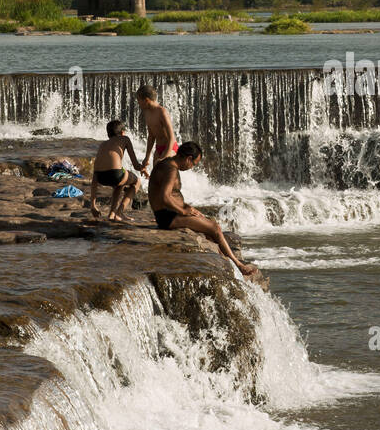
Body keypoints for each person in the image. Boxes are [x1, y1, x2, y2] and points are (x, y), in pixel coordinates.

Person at [150, 141, 261, 283]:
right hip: (168, 216)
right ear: (188, 158)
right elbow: (165, 197)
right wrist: (183, 212)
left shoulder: (166, 163)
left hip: (169, 213)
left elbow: (172, 195)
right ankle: (239, 265)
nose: (192, 167)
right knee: (215, 228)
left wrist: (188, 208)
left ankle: (227, 263)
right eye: (194, 164)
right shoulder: (171, 170)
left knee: (208, 226)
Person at [88, 120, 147, 221]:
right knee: (136, 181)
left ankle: (111, 214)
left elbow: (95, 176)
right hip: (115, 174)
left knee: (121, 182)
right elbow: (136, 165)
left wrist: (93, 206)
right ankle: (119, 213)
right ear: (122, 132)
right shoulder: (125, 139)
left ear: (108, 134)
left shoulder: (103, 144)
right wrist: (143, 168)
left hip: (100, 177)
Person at [135, 85, 178, 174]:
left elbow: (172, 137)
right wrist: (147, 157)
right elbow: (151, 136)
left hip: (170, 148)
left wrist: (164, 156)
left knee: (165, 177)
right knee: (156, 177)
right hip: (158, 148)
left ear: (146, 100)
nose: (138, 103)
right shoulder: (147, 113)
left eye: (139, 100)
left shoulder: (162, 112)